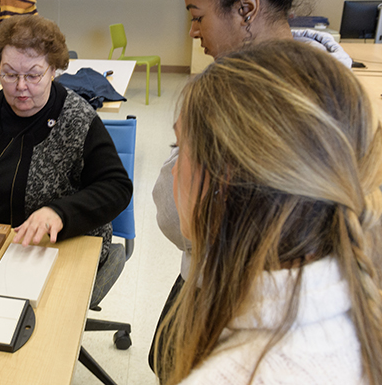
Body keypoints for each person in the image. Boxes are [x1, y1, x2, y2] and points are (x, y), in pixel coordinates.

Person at [150, 0, 352, 377]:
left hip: (231, 301)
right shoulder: (336, 85)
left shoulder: (227, 103)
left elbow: (178, 216)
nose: (194, 32)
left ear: (246, 8)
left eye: (197, 16)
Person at [158, 40, 382, 385]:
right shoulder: (358, 305)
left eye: (179, 148)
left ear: (222, 178)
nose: (172, 170)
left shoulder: (235, 374)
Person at [0, 14, 133, 307]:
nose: (20, 86)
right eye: (9, 74)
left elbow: (116, 188)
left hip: (58, 247)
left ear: (53, 70)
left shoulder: (77, 119)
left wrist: (59, 212)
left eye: (33, 75)